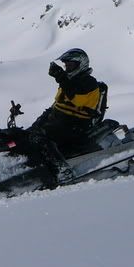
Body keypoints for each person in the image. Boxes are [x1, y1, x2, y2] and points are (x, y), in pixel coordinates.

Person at [27, 48, 104, 185]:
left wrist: (61, 77)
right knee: (28, 136)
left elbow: (75, 98)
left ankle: (63, 171)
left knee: (41, 137)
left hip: (77, 126)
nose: (67, 68)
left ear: (81, 64)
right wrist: (39, 121)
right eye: (66, 65)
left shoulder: (89, 82)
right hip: (61, 122)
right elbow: (57, 105)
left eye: (70, 65)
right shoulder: (68, 82)